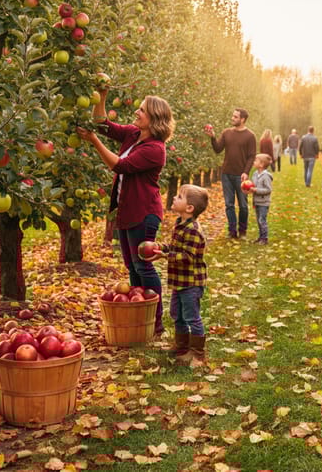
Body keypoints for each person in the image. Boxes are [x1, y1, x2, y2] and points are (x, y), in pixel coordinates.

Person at [77, 92, 173, 339]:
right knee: (132, 267)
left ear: (154, 118)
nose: (136, 112)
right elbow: (103, 124)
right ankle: (141, 316)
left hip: (144, 214)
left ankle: (155, 322)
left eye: (142, 110)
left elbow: (121, 165)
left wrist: (93, 141)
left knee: (144, 266)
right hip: (128, 212)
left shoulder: (155, 149)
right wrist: (102, 96)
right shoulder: (133, 134)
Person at [143, 184, 210, 364]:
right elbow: (175, 247)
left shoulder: (194, 230)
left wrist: (165, 256)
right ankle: (181, 346)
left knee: (191, 317)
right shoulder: (180, 223)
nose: (174, 198)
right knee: (176, 313)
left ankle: (197, 353)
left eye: (179, 196)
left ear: (189, 208)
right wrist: (161, 247)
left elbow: (187, 256)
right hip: (179, 281)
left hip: (191, 283)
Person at [204, 109, 257, 238]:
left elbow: (251, 156)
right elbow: (217, 149)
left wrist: (246, 172)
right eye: (233, 116)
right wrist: (212, 138)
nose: (232, 118)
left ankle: (242, 231)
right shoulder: (226, 133)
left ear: (242, 119)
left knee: (243, 205)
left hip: (241, 175)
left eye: (235, 116)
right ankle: (232, 231)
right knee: (229, 204)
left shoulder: (250, 136)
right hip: (226, 173)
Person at [249, 153, 274, 244]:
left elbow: (268, 190)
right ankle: (260, 237)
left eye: (256, 161)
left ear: (261, 164)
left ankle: (265, 238)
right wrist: (248, 188)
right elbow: (253, 185)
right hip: (257, 201)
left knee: (262, 220)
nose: (254, 162)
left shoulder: (266, 176)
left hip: (264, 202)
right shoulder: (255, 174)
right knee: (258, 220)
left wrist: (256, 190)